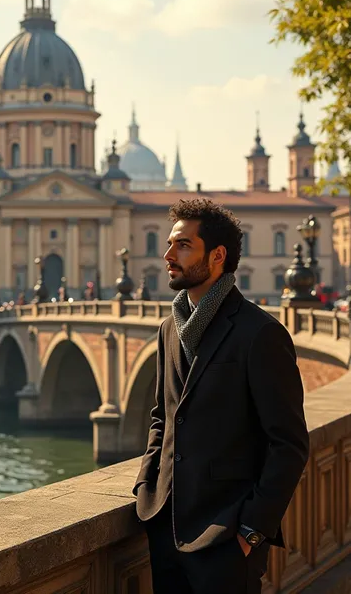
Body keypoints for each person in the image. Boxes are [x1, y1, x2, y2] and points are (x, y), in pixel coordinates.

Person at [133, 199, 309, 594]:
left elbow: (290, 444)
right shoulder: (168, 328)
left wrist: (251, 531)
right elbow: (163, 417)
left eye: (182, 246)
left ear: (217, 256)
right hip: (166, 531)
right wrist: (147, 488)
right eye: (169, 245)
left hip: (226, 541)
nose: (167, 256)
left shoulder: (260, 333)